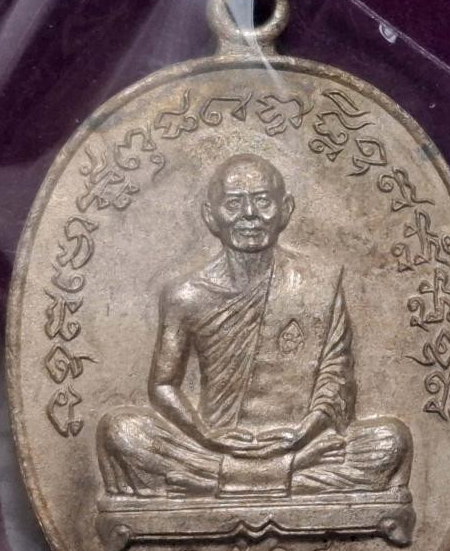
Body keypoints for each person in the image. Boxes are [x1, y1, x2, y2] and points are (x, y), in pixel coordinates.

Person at [97, 153, 412, 498]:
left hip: (302, 444)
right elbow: (162, 386)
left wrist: (305, 432)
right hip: (215, 447)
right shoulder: (185, 295)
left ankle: (218, 483)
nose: (249, 214)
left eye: (262, 201)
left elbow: (337, 379)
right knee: (121, 431)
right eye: (234, 203)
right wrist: (206, 434)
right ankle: (278, 478)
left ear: (285, 210)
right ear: (211, 215)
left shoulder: (319, 284)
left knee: (390, 440)